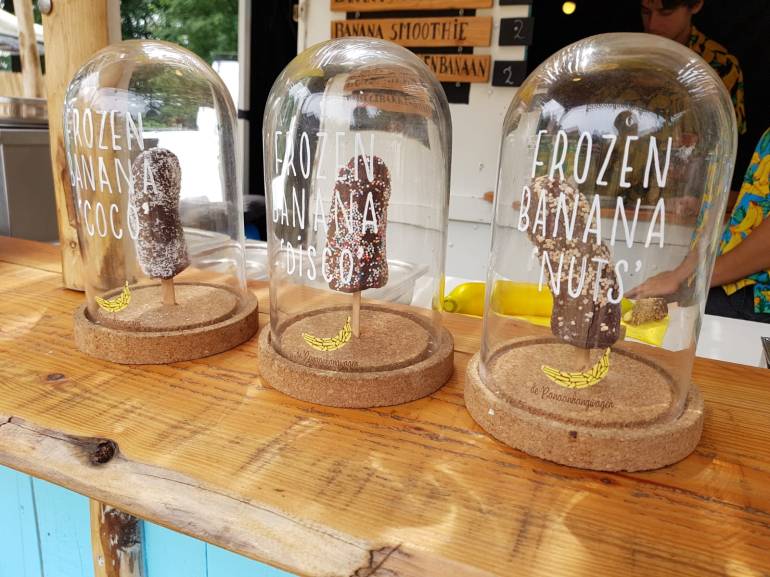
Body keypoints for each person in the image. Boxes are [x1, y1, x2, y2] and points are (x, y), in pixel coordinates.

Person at [629, 127, 770, 322]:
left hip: (753, 297)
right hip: (731, 287)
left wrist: (686, 279)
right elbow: (756, 201)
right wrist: (685, 275)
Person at [641, 0, 746, 136]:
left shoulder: (722, 65)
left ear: (696, 5)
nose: (652, 25)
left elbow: (729, 138)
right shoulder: (627, 54)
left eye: (665, 13)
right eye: (646, 11)